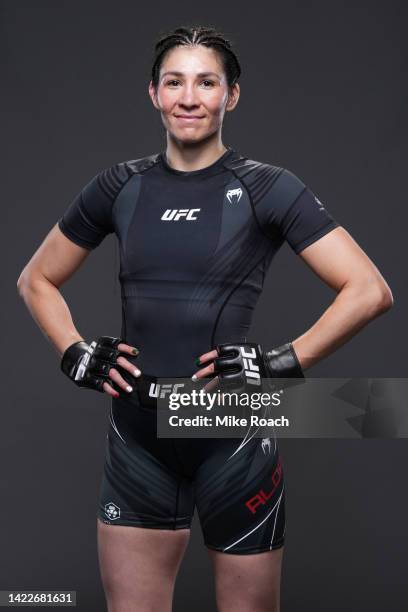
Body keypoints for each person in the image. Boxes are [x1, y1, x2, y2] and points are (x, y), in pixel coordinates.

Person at [17, 25, 393, 612]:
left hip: (231, 433)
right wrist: (73, 350)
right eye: (175, 81)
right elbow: (35, 279)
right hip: (138, 435)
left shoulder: (269, 187)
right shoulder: (121, 186)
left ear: (231, 95)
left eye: (206, 82)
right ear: (153, 93)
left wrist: (282, 361)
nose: (189, 97)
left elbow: (368, 289)